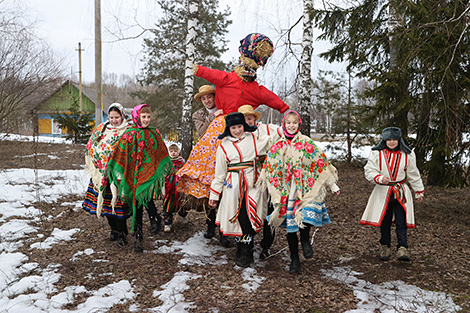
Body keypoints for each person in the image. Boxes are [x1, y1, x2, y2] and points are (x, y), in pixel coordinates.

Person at [177, 33, 289, 242]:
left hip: (243, 132)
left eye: (252, 68)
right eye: (248, 67)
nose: (249, 72)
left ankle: (240, 224)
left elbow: (275, 101)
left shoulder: (256, 90)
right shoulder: (229, 79)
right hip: (221, 129)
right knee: (213, 175)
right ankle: (213, 223)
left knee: (238, 180)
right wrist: (197, 68)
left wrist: (287, 112)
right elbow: (210, 74)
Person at [264, 110, 340, 274]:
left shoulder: (306, 143)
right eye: (288, 123)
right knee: (291, 227)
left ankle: (305, 240)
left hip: (304, 188)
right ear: (284, 124)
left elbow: (321, 163)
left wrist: (333, 185)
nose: (291, 125)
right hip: (286, 191)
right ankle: (294, 259)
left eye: (294, 123)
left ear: (299, 125)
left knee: (304, 216)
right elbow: (270, 169)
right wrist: (274, 191)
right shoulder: (278, 146)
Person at [107, 104, 174, 253]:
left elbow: (161, 150)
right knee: (137, 207)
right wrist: (113, 165)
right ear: (137, 117)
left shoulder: (153, 132)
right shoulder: (129, 134)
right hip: (133, 175)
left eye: (148, 117)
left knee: (146, 198)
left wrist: (161, 167)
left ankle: (154, 217)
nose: (146, 120)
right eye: (143, 117)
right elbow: (119, 152)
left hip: (148, 174)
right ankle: (138, 238)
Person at [208, 112, 272, 267]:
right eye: (233, 128)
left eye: (239, 126)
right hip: (233, 187)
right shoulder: (224, 146)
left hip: (253, 184)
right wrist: (214, 195)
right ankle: (242, 249)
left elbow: (273, 141)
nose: (237, 130)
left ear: (244, 126)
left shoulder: (255, 140)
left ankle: (248, 247)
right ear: (228, 129)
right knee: (239, 216)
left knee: (251, 215)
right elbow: (220, 173)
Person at [361, 127, 424, 261]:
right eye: (388, 139)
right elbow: (369, 170)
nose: (391, 142)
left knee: (402, 221)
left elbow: (413, 173)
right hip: (383, 191)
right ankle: (385, 246)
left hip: (401, 191)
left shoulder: (407, 154)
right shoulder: (377, 154)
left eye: (394, 139)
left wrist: (419, 190)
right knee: (385, 220)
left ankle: (402, 247)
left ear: (399, 140)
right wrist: (378, 178)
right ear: (384, 140)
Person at [82, 103, 131, 246]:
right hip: (102, 174)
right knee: (107, 205)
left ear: (122, 116)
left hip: (120, 176)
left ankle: (122, 232)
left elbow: (131, 151)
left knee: (119, 205)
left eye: (117, 117)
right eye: (111, 117)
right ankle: (114, 229)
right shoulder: (102, 129)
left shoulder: (128, 131)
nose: (114, 120)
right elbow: (91, 146)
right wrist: (97, 163)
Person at [238, 104, 282, 259]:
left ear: (254, 119)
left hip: (269, 176)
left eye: (249, 118)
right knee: (247, 209)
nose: (247, 122)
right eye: (243, 119)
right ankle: (246, 244)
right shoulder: (237, 135)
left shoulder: (267, 130)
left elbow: (285, 133)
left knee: (270, 211)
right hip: (248, 179)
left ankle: (266, 245)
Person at [162, 143, 186, 232]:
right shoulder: (166, 162)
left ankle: (183, 215)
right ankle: (167, 222)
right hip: (169, 187)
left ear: (178, 152)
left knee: (181, 203)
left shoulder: (181, 162)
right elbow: (163, 172)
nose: (173, 153)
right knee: (168, 204)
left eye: (175, 151)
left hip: (179, 187)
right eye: (171, 151)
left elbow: (184, 171)